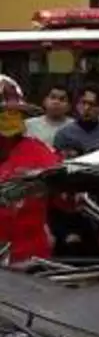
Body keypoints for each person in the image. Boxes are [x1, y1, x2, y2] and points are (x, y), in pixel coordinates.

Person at [0, 75, 61, 265]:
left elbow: (66, 197)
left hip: (29, 261)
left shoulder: (38, 152)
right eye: (4, 113)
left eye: (15, 113)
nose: (11, 119)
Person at [53, 82, 99, 157]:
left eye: (92, 105)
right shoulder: (64, 134)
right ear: (77, 104)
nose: (86, 108)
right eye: (83, 103)